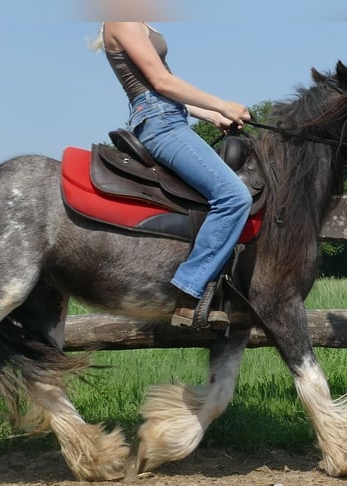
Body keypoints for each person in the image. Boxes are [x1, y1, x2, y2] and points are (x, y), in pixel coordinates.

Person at [93, 21, 253, 330]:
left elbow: (167, 85)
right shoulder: (122, 20)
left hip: (170, 116)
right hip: (159, 122)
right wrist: (223, 104)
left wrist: (211, 115)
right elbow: (161, 82)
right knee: (234, 197)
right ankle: (189, 292)